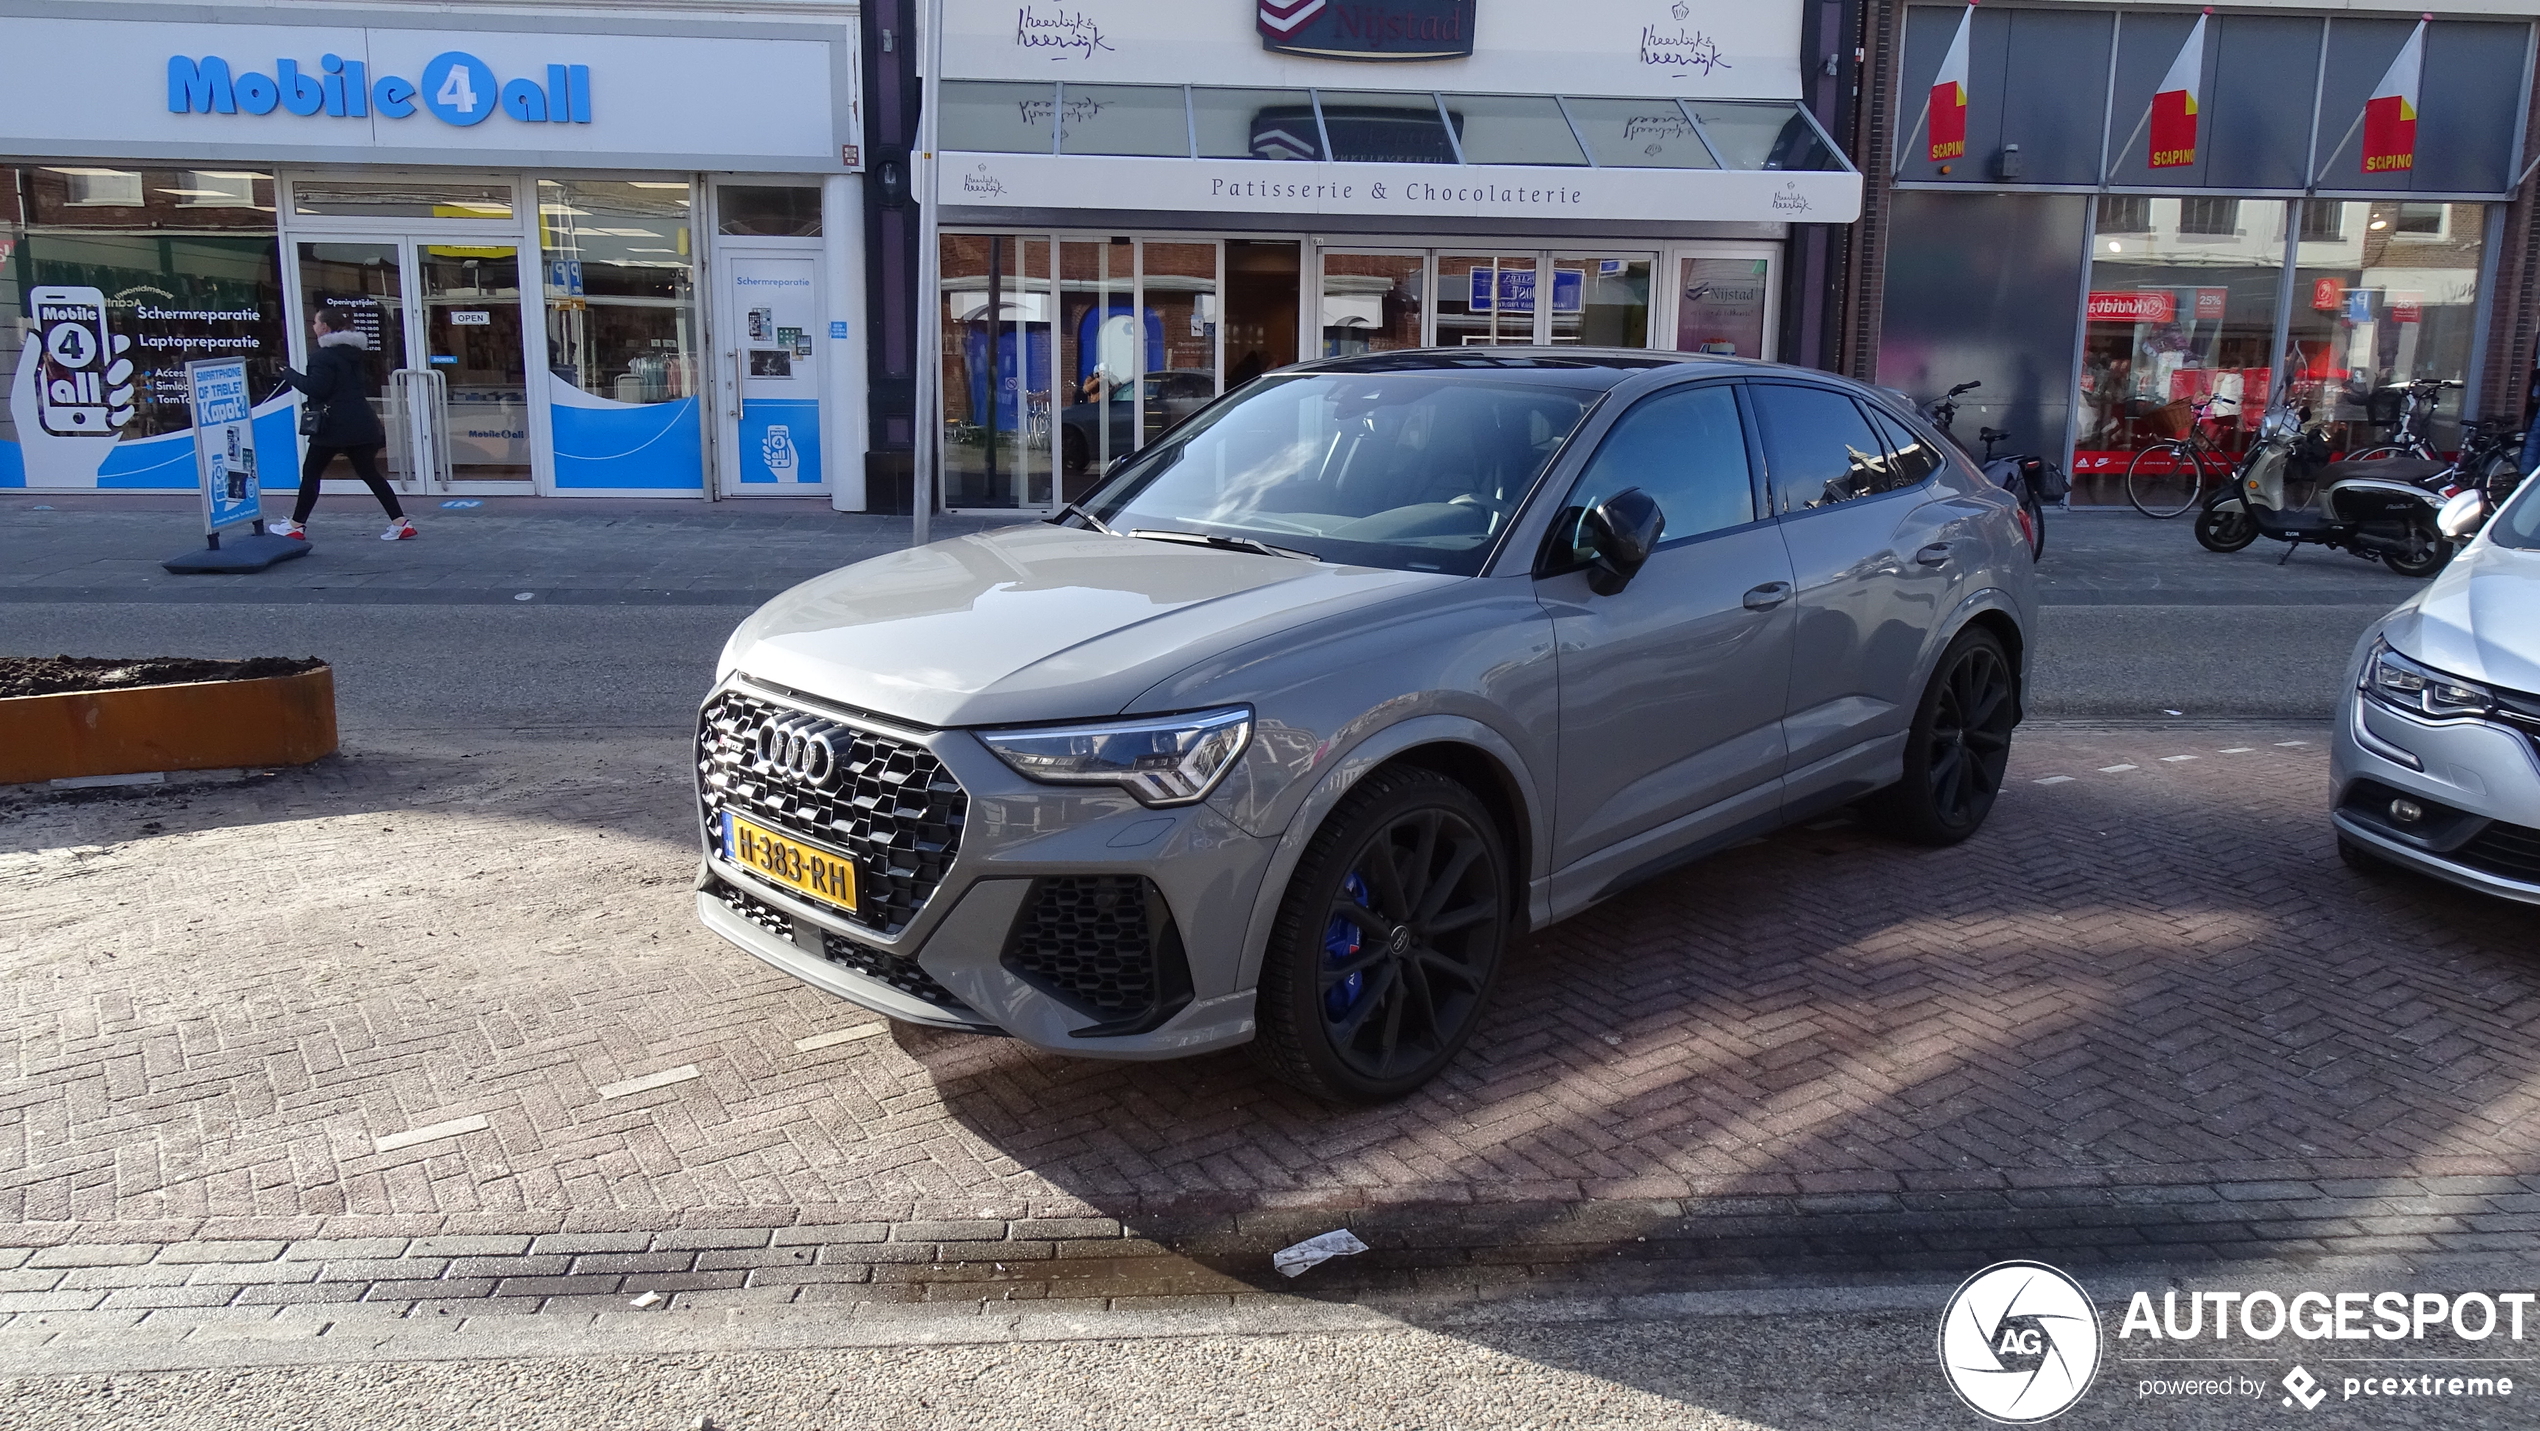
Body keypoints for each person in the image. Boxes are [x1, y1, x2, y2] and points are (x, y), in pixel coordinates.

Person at [271, 308, 412, 541]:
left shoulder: (322, 357)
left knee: (311, 473)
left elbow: (317, 388)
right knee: (369, 472)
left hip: (333, 427)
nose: (313, 327)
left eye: (315, 322)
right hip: (362, 422)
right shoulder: (355, 353)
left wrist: (289, 375)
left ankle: (296, 526)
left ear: (325, 327)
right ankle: (400, 522)